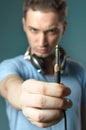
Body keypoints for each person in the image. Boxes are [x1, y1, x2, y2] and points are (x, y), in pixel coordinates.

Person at [0, 0, 86, 130]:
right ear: (24, 25)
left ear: (64, 27)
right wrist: (21, 95)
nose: (42, 42)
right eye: (34, 30)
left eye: (51, 31)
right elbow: (9, 87)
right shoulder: (9, 67)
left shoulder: (79, 71)